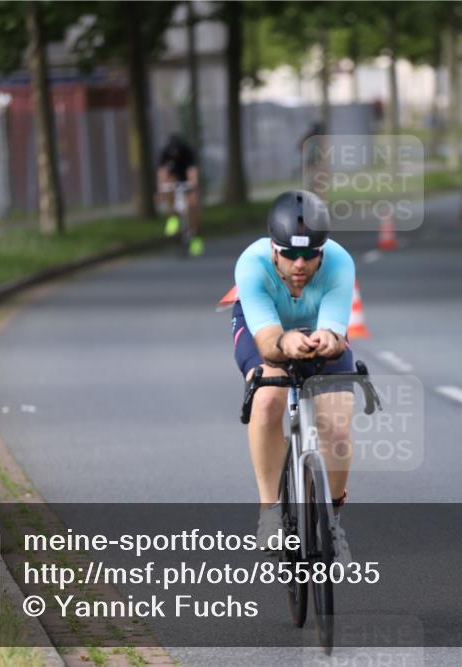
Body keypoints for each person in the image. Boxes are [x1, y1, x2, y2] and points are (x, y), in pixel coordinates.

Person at [231, 190, 356, 563]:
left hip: (317, 328)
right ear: (273, 250)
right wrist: (286, 342)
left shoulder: (340, 262)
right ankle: (269, 511)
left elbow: (335, 335)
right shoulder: (251, 264)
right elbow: (269, 342)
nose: (299, 264)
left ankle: (332, 520)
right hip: (266, 330)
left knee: (336, 422)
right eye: (289, 254)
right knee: (267, 398)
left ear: (322, 251)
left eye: (309, 255)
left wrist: (327, 339)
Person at [157, 133, 202, 256]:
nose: (175, 154)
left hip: (185, 177)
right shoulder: (165, 152)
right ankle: (172, 219)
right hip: (174, 177)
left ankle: (195, 236)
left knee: (192, 204)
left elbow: (192, 171)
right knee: (169, 190)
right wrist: (162, 188)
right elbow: (162, 172)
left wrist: (194, 185)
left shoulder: (187, 151)